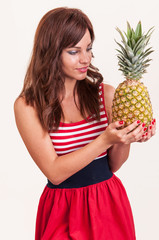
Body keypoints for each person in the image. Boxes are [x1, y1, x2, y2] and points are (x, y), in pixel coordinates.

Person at [14, 7, 156, 240]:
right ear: (50, 52)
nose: (85, 58)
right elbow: (55, 172)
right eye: (74, 51)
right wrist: (105, 139)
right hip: (61, 208)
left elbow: (113, 165)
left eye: (89, 48)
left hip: (108, 202)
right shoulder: (28, 106)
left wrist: (126, 137)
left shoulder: (106, 95)